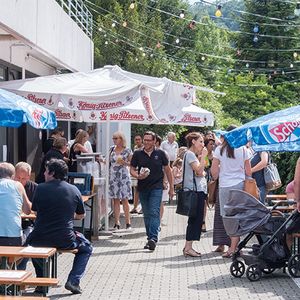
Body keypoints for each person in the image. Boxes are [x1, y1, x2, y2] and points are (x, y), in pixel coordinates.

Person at [27, 159, 92, 294]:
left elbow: (35, 211)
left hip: (40, 237)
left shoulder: (40, 188)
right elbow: (81, 215)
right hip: (65, 238)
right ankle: (73, 281)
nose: (44, 173)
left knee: (31, 245)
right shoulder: (74, 189)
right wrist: (68, 214)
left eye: (46, 170)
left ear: (52, 172)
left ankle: (41, 281)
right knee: (86, 248)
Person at [211, 126, 251, 258]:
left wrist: (218, 174)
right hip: (240, 186)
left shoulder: (219, 150)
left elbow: (214, 172)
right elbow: (248, 171)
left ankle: (233, 248)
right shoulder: (244, 149)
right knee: (238, 216)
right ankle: (236, 247)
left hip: (225, 186)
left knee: (227, 217)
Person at [130, 131, 174, 251]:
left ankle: (153, 238)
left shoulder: (161, 153)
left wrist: (171, 188)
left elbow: (168, 171)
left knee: (154, 211)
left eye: (149, 140)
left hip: (157, 187)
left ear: (155, 141)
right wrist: (137, 176)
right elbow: (132, 169)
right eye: (145, 140)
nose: (146, 142)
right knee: (147, 214)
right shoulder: (137, 153)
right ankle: (150, 238)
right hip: (143, 187)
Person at [181, 132, 207, 257]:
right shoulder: (190, 154)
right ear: (193, 141)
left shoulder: (191, 155)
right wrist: (204, 157)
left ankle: (188, 246)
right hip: (195, 191)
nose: (203, 144)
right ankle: (188, 247)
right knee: (195, 220)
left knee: (195, 219)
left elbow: (199, 172)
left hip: (197, 191)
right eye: (200, 141)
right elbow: (199, 171)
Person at [0, 162, 31, 246]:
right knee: (30, 231)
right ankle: (16, 259)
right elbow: (27, 211)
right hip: (13, 236)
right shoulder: (18, 186)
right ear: (13, 175)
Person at [14, 162, 38, 270]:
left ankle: (20, 272)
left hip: (29, 223)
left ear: (28, 177)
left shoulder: (35, 188)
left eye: (23, 178)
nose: (19, 181)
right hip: (13, 223)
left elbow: (36, 208)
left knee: (26, 241)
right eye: (17, 177)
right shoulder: (9, 187)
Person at [109, 131, 132, 230]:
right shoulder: (111, 149)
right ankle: (117, 222)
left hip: (124, 176)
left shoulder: (127, 150)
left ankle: (128, 223)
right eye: (113, 138)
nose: (114, 140)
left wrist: (124, 162)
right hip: (113, 176)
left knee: (125, 199)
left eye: (116, 138)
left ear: (121, 139)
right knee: (115, 200)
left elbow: (132, 163)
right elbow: (108, 161)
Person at [130, 134, 144, 214]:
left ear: (141, 140)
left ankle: (142, 207)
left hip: (142, 170)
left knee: (142, 189)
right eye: (136, 139)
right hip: (135, 170)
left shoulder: (144, 148)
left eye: (139, 139)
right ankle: (135, 207)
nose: (137, 141)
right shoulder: (135, 148)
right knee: (136, 190)